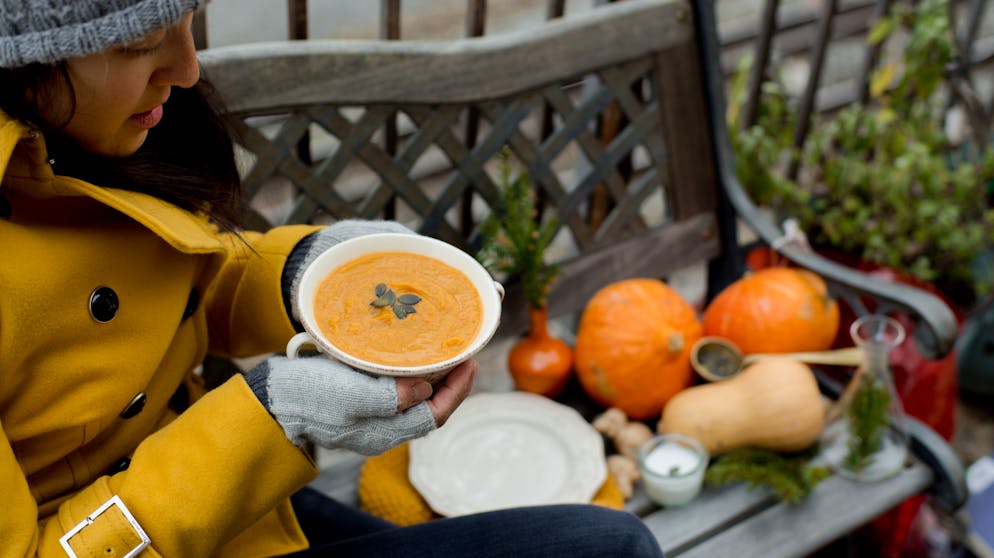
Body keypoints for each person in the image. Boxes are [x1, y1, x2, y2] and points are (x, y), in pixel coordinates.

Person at [0, 1, 666, 557]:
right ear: (26, 59)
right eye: (141, 43)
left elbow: (188, 292)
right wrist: (270, 416)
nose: (188, 67)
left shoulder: (95, 136)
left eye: (192, 18)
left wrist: (306, 269)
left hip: (237, 501)